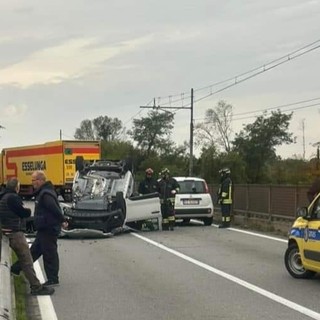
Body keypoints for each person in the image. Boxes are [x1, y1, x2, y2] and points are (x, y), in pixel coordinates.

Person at [11, 171, 67, 287]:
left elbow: (54, 208)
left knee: (49, 253)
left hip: (48, 228)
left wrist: (62, 220)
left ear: (41, 180)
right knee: (34, 251)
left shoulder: (46, 194)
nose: (32, 183)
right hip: (44, 227)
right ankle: (15, 268)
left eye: (34, 180)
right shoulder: (43, 193)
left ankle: (53, 279)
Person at [0, 178, 54, 295]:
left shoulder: (3, 197)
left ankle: (34, 284)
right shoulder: (13, 198)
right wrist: (28, 212)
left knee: (25, 260)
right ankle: (36, 287)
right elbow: (23, 212)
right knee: (27, 260)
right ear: (16, 187)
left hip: (6, 231)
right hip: (15, 232)